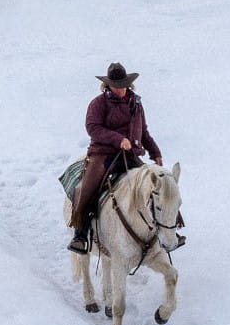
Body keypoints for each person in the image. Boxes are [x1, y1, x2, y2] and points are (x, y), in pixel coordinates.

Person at [69, 61, 163, 254]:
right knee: (87, 189)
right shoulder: (98, 103)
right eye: (116, 85)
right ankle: (80, 235)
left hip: (131, 156)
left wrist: (156, 153)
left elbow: (143, 132)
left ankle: (168, 231)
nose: (120, 89)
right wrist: (118, 139)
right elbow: (93, 128)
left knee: (159, 186)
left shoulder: (136, 103)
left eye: (123, 85)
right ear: (108, 85)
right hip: (103, 154)